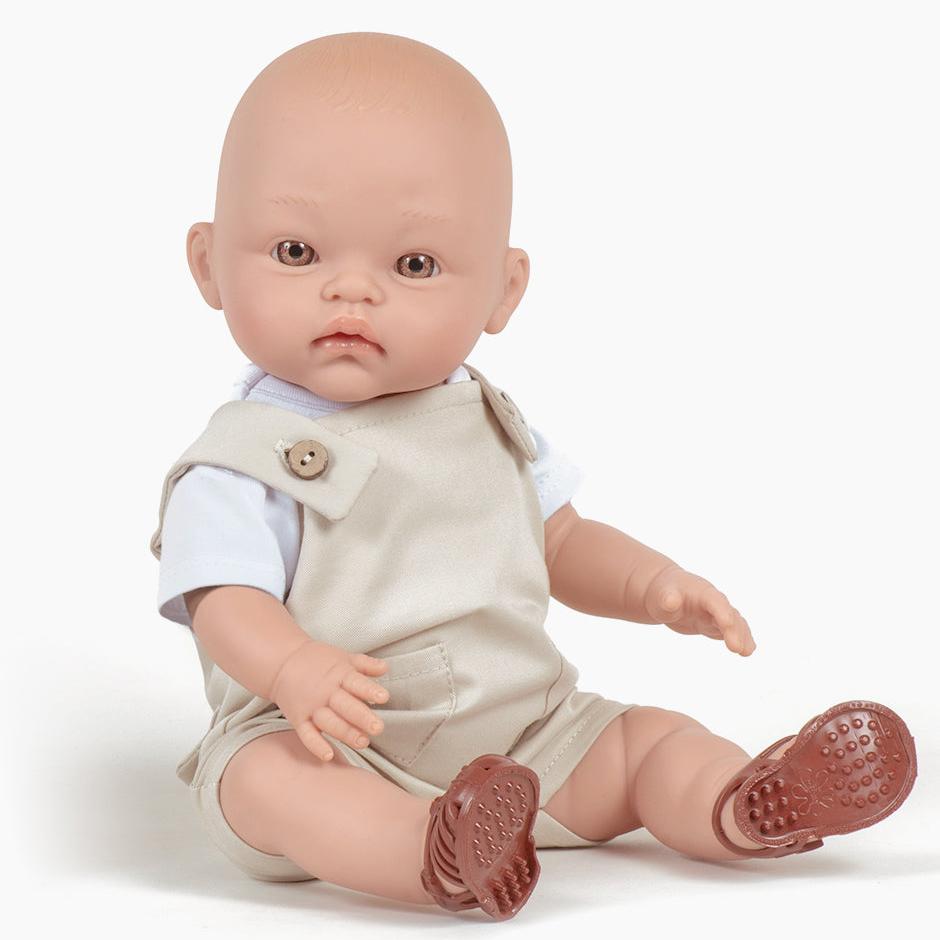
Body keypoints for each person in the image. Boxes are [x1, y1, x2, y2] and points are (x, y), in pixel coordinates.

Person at [151, 32, 916, 921]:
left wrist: (653, 585)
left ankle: (742, 802)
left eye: (414, 264)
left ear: (503, 292)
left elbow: (560, 541)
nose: (351, 291)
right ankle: (432, 850)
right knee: (264, 783)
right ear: (208, 263)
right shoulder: (245, 462)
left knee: (643, 743)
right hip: (329, 740)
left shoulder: (486, 419)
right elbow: (223, 597)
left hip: (526, 734)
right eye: (296, 252)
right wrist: (291, 667)